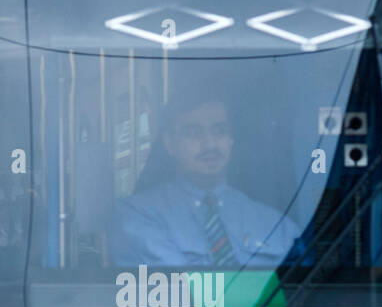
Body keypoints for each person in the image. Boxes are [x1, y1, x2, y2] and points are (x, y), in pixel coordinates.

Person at [111, 87, 301, 267]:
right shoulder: (137, 216)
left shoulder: (277, 225)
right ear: (169, 143)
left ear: (231, 140)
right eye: (194, 133)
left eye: (220, 131)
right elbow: (181, 292)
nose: (210, 143)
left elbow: (304, 293)